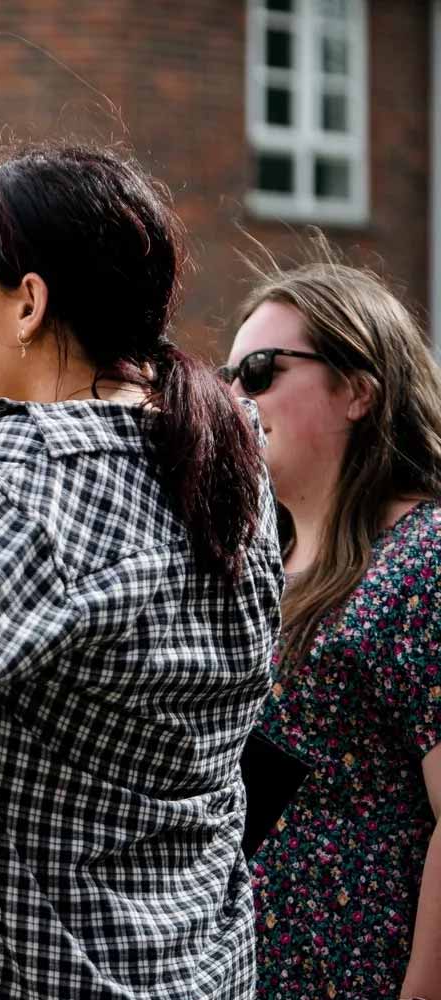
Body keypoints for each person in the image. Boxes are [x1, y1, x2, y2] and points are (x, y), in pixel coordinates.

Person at [0, 143, 283, 998]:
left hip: (28, 968)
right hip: (199, 961)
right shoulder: (227, 448)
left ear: (27, 302)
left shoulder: (18, 465)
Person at [226, 257, 441, 998]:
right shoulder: (264, 562)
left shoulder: (424, 557)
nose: (236, 397)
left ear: (357, 390)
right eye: (228, 379)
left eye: (259, 371)